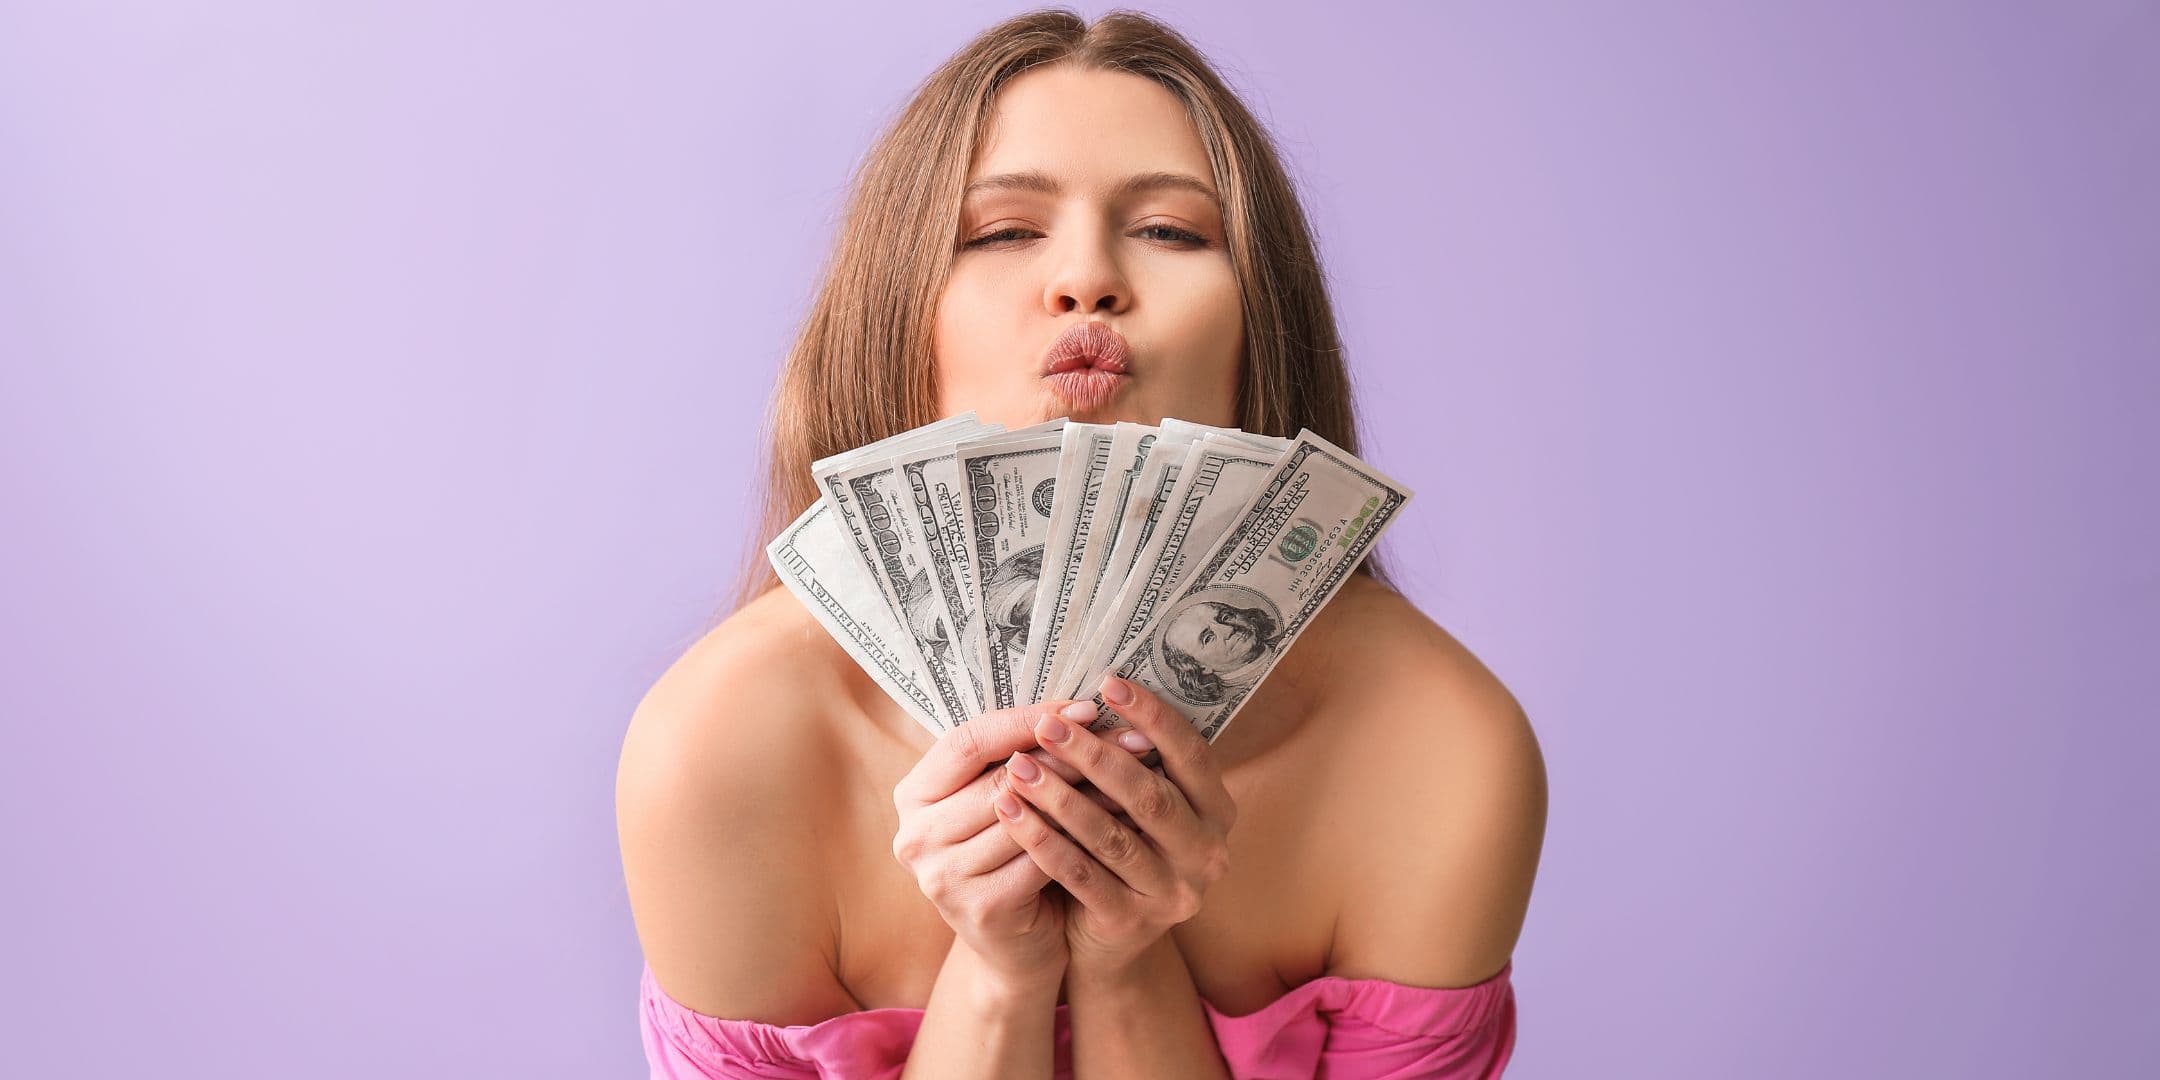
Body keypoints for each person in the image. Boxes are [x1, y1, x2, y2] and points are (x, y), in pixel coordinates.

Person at [617, 9, 1547, 1078]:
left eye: (1170, 230)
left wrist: (1123, 954)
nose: (1086, 279)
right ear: (895, 316)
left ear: (1261, 329)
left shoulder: (1437, 749)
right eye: (1004, 230)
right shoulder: (721, 750)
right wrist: (1000, 974)